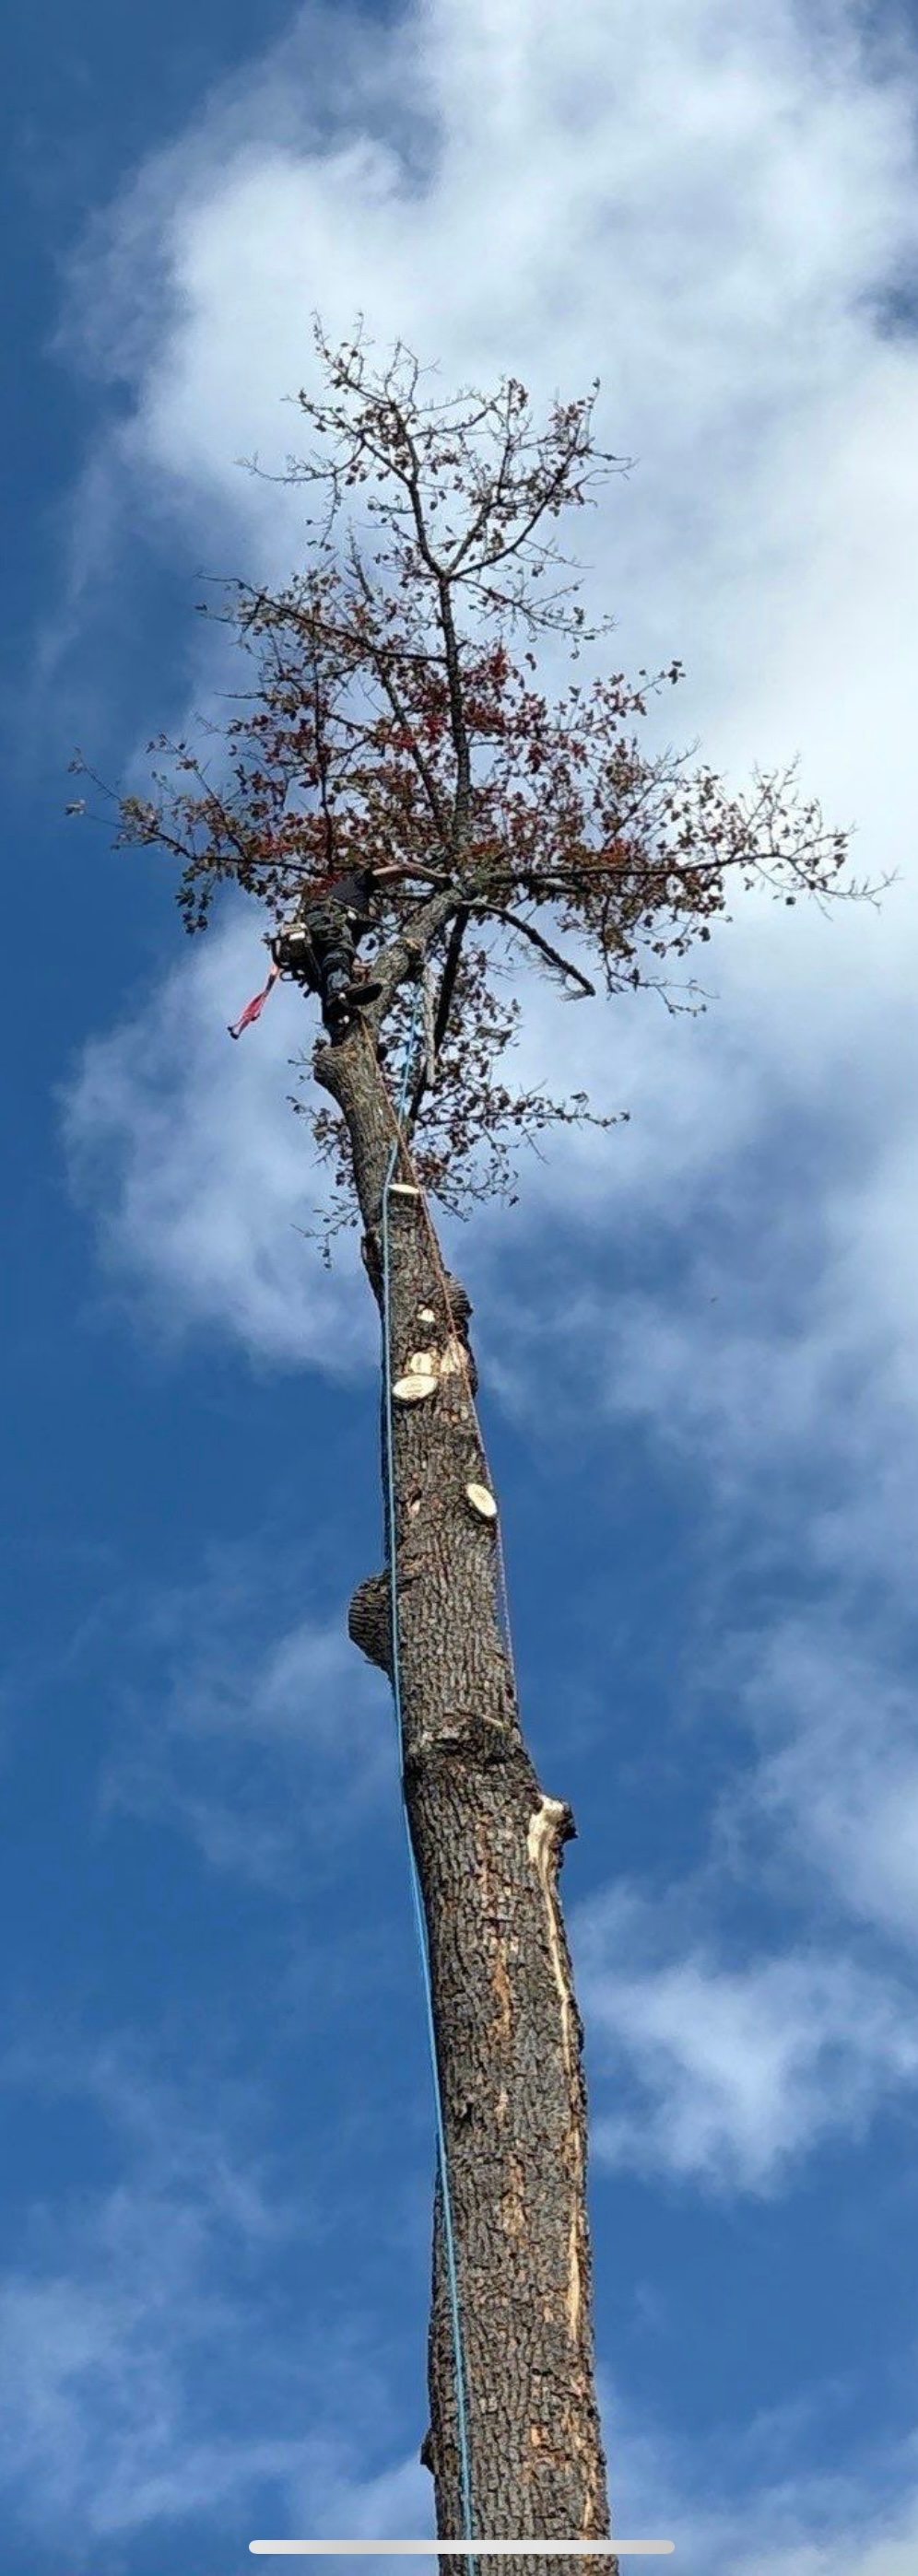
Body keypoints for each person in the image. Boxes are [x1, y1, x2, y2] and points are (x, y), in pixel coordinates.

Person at [270, 861, 411, 1038]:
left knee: (328, 987)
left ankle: (341, 1033)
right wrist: (436, 879)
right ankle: (341, 991)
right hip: (325, 919)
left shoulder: (352, 931)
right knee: (339, 952)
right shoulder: (356, 888)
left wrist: (363, 970)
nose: (372, 921)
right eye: (375, 914)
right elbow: (402, 869)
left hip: (312, 952)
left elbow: (338, 961)